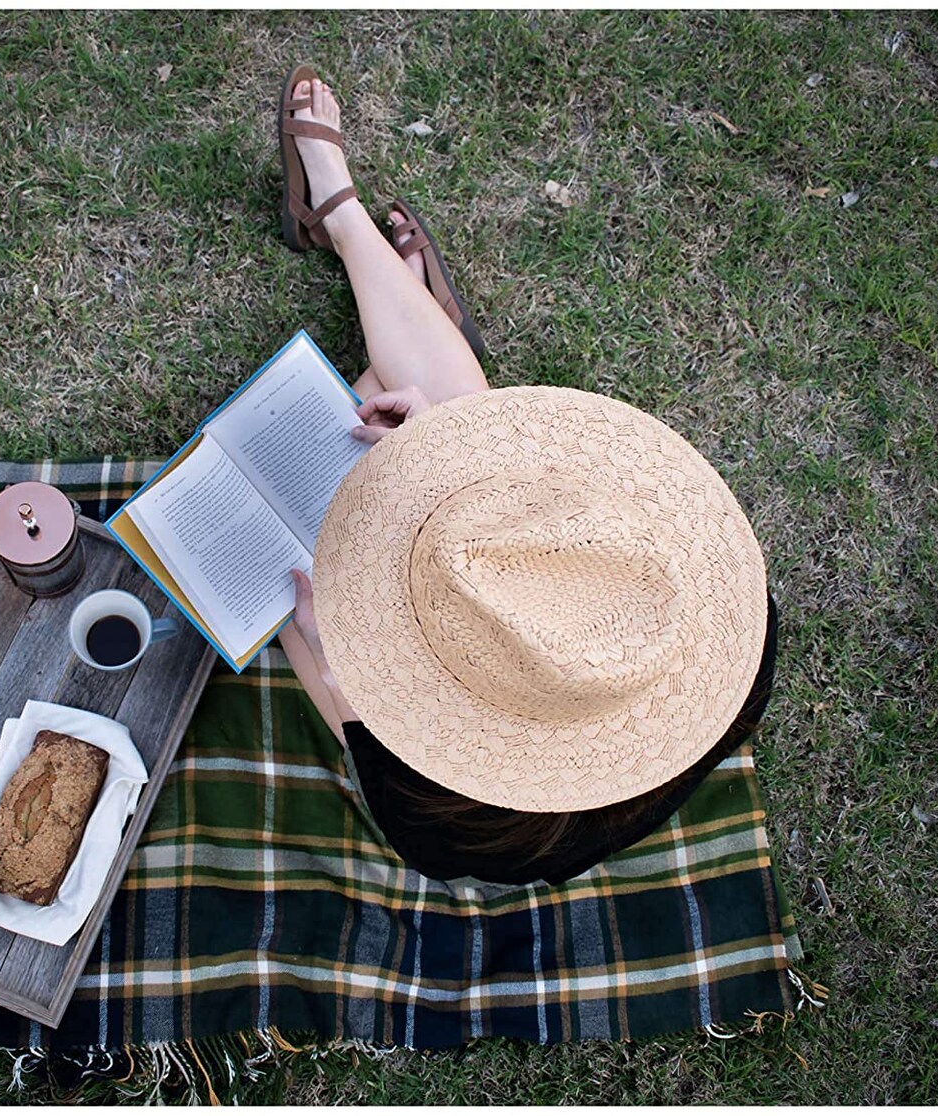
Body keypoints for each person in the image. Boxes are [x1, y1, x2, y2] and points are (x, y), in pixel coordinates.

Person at [273, 67, 778, 887]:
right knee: (430, 414)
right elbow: (552, 508)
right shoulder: (736, 634)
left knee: (294, 572)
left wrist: (336, 654)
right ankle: (363, 250)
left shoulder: (437, 827)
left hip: (467, 796)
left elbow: (356, 708)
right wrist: (446, 438)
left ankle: (351, 233)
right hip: (550, 674)